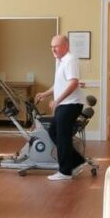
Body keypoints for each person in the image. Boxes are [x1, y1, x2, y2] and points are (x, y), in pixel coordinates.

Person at [34, 34, 85, 181]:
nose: (53, 49)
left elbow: (73, 83)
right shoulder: (61, 61)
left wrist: (57, 100)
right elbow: (60, 84)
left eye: (56, 46)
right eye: (51, 46)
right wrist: (45, 94)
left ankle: (65, 172)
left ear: (66, 46)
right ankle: (75, 162)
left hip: (70, 104)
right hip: (65, 104)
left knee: (62, 137)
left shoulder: (70, 60)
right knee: (54, 132)